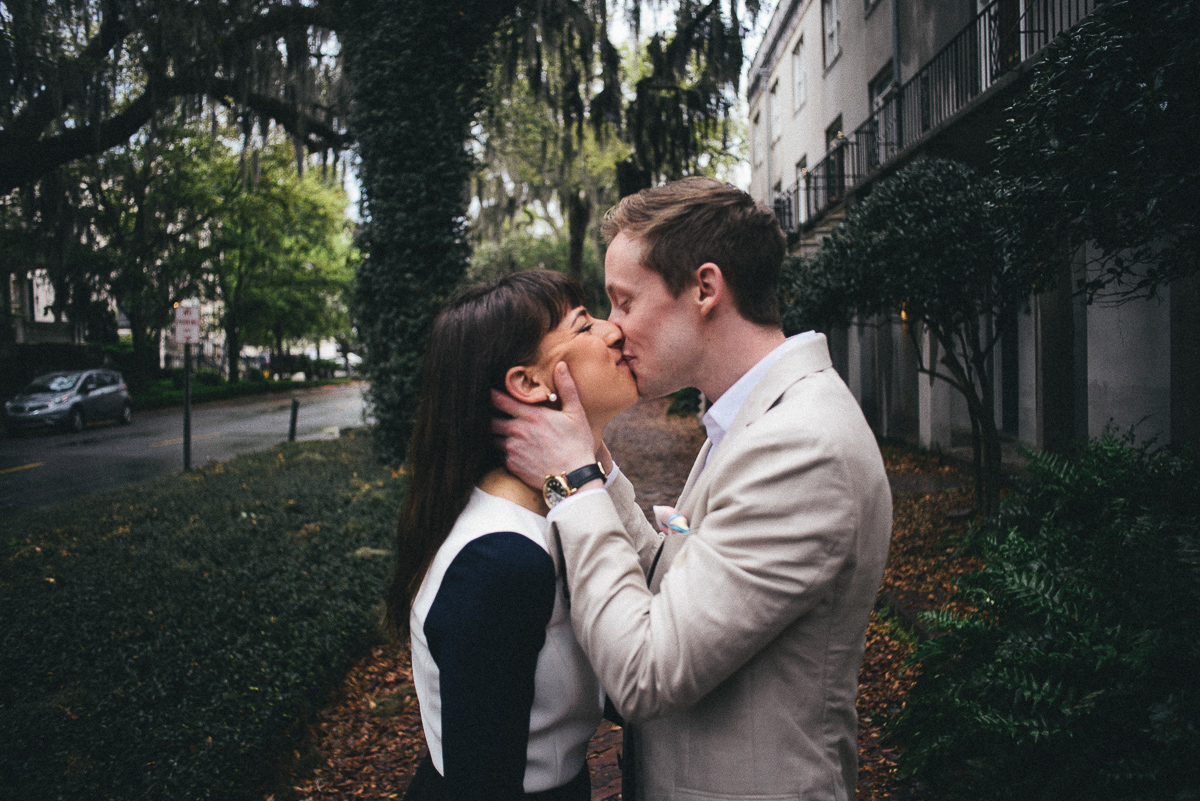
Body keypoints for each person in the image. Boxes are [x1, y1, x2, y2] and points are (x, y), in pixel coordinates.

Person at [492, 177, 893, 801]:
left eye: (624, 301)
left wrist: (574, 486)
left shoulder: (800, 446)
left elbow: (646, 673)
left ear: (705, 288)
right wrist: (593, 461)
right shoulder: (751, 417)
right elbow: (676, 585)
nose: (614, 330)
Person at [388, 270, 644, 801]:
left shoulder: (563, 512)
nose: (614, 330)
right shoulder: (501, 559)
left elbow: (624, 683)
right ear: (529, 383)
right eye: (584, 325)